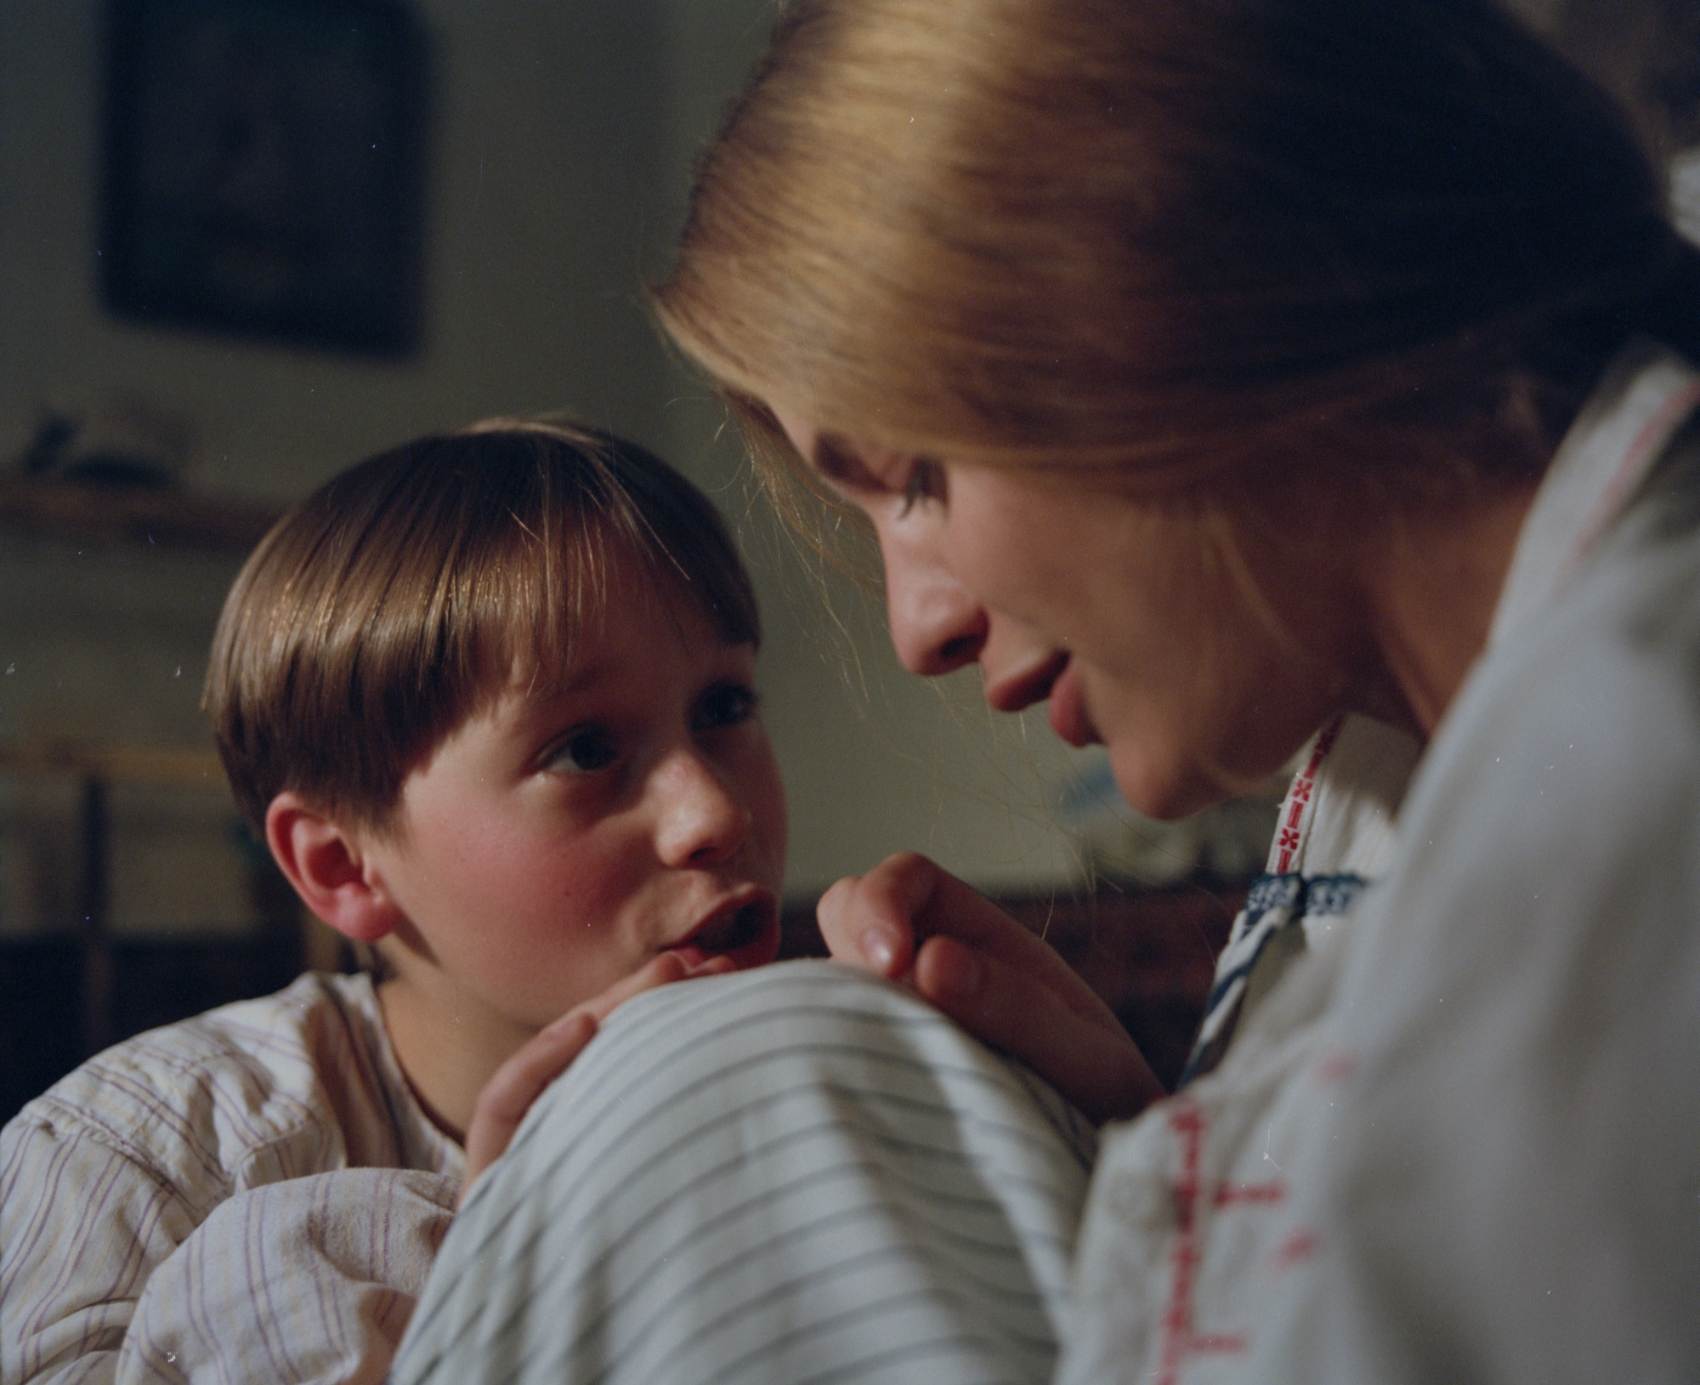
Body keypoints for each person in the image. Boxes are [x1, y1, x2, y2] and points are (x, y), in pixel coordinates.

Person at [390, 0, 1700, 1381]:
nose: (921, 627)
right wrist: (1150, 1141)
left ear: (1184, 298)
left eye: (915, 478)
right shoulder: (1438, 750)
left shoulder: (1631, 783)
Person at [0, 419, 792, 1384]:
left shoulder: (833, 1096)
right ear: (344, 866)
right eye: (584, 749)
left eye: (724, 707)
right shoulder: (144, 1163)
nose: (716, 812)